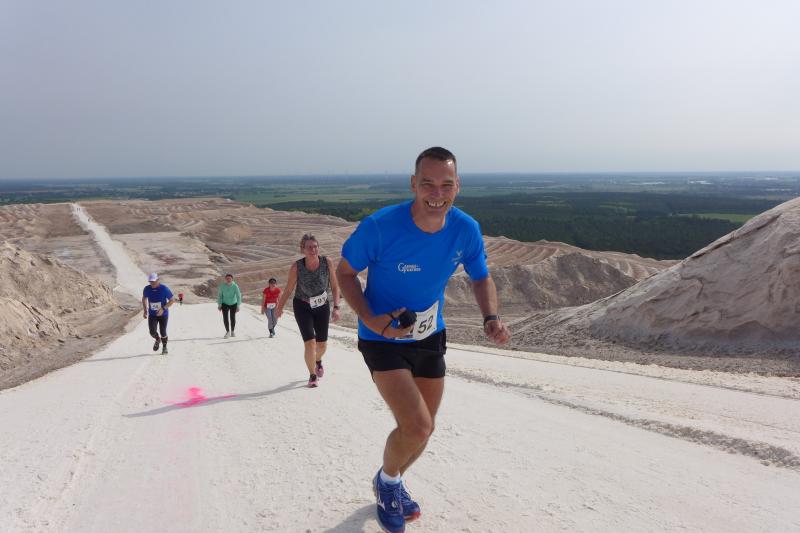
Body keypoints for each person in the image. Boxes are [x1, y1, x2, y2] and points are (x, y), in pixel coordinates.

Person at [336, 146, 511, 533]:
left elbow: (481, 276)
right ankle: (387, 485)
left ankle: (391, 479)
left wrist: (490, 317)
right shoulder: (380, 226)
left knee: (425, 428)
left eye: (446, 184)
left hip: (430, 335)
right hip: (382, 338)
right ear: (413, 184)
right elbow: (344, 273)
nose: (437, 193)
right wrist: (371, 319)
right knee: (415, 426)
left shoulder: (465, 228)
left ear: (458, 185)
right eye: (428, 183)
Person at [275, 234, 341, 387]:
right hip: (302, 306)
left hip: (322, 306)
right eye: (309, 247)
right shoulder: (297, 267)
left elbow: (335, 286)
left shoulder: (327, 262)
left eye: (315, 246)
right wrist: (280, 308)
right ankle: (312, 375)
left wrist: (336, 307)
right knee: (310, 343)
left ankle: (318, 360)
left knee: (322, 345)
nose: (313, 250)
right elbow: (288, 289)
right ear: (303, 249)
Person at [142, 272, 175, 355]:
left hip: (163, 314)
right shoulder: (147, 289)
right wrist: (145, 310)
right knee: (152, 332)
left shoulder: (164, 289)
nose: (152, 283)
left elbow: (172, 300)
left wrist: (163, 309)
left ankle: (164, 347)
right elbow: (144, 298)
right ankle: (157, 339)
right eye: (150, 282)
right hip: (152, 315)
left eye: (154, 281)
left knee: (163, 331)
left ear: (158, 280)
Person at [217, 273, 242, 338]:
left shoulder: (235, 286)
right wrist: (219, 304)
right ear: (225, 279)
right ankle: (227, 332)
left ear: (232, 279)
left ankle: (232, 331)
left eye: (229, 278)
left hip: (233, 303)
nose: (228, 280)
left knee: (232, 317)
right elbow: (220, 295)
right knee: (225, 318)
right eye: (227, 278)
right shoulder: (222, 286)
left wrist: (238, 305)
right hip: (225, 303)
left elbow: (238, 295)